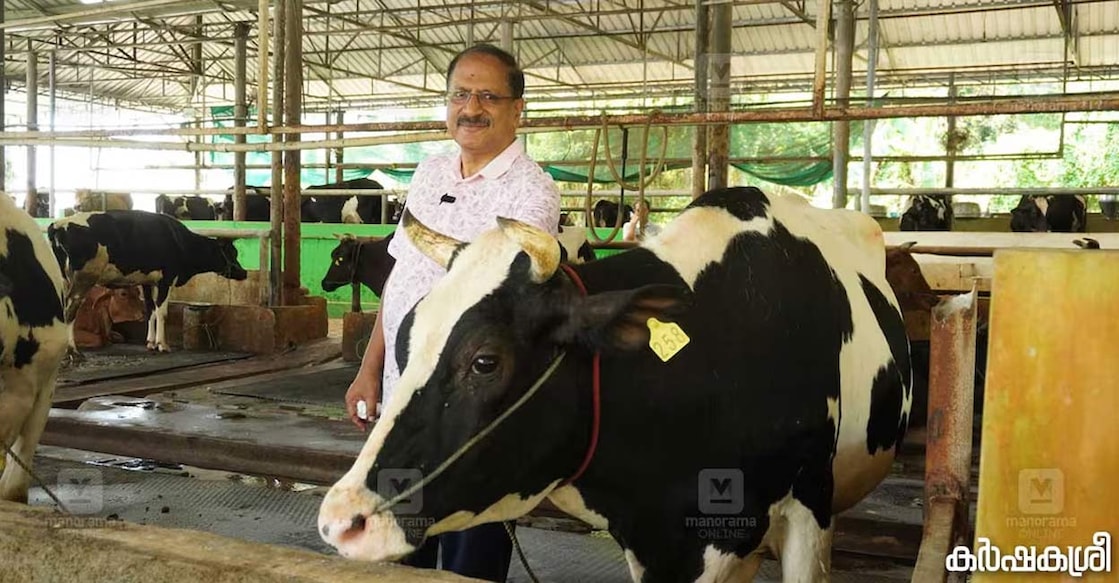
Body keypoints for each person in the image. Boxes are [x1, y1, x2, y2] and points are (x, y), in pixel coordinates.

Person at [342, 43, 560, 583]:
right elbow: (401, 279)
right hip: (403, 401)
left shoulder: (532, 194)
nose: (472, 106)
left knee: (467, 558)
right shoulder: (431, 171)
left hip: (470, 418)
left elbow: (500, 317)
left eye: (489, 95)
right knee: (395, 546)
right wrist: (370, 369)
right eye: (461, 93)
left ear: (517, 109)